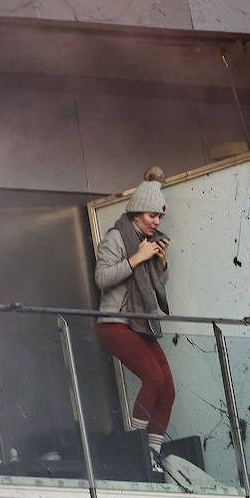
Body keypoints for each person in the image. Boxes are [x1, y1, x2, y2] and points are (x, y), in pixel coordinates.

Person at [94, 167, 175, 477]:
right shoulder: (117, 237)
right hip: (115, 322)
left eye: (159, 217)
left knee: (168, 390)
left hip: (141, 324)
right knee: (153, 379)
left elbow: (155, 285)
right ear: (136, 211)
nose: (156, 222)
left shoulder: (149, 241)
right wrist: (135, 259)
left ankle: (153, 452)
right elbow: (102, 279)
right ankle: (137, 446)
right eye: (151, 215)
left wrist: (160, 263)